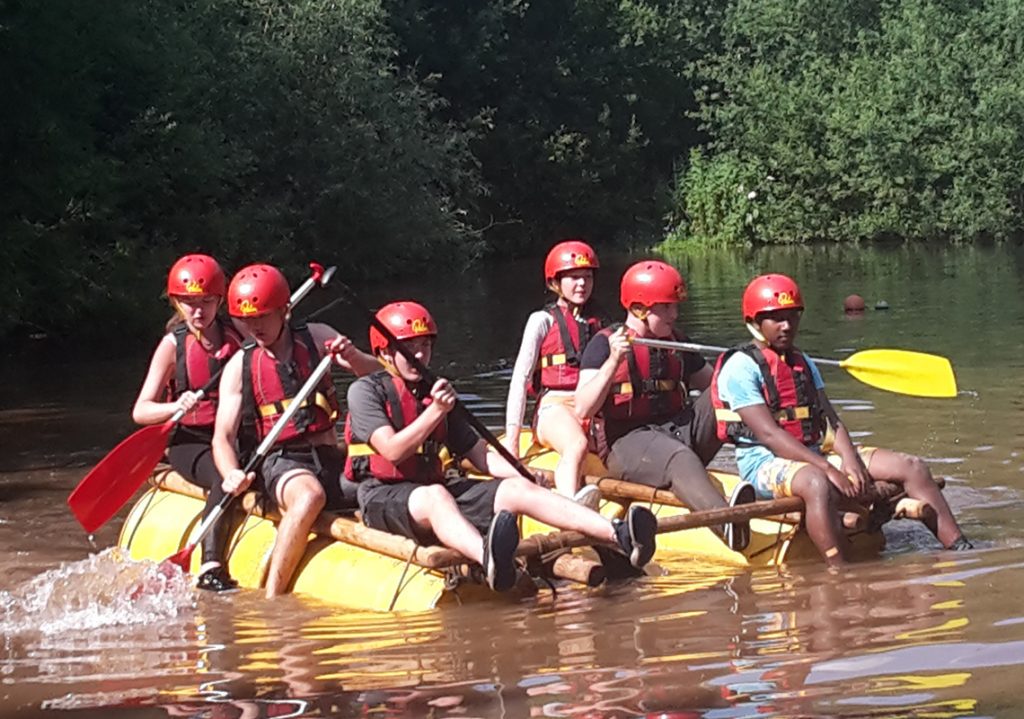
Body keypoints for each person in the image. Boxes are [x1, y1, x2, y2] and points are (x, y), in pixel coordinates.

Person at [343, 300, 657, 592]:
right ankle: (488, 557)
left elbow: (480, 455)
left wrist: (524, 475)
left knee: (516, 488)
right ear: (385, 353)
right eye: (409, 347)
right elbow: (394, 451)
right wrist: (437, 410)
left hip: (431, 488)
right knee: (436, 495)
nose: (420, 355)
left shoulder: (432, 389)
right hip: (382, 496)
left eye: (425, 345)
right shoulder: (365, 392)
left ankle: (619, 533)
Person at [710, 273, 972, 565]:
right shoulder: (740, 368)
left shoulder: (803, 362)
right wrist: (828, 469)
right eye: (776, 318)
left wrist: (849, 459)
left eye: (793, 316)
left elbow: (831, 420)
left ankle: (961, 549)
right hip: (764, 462)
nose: (787, 326)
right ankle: (843, 573)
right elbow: (769, 434)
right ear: (755, 321)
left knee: (912, 467)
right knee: (816, 483)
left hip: (810, 452)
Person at [212, 264, 381, 597]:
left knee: (382, 487)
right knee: (309, 496)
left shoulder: (317, 336)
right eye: (246, 320)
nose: (254, 326)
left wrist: (353, 357)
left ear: (284, 311)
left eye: (262, 316)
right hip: (282, 462)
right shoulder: (239, 366)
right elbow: (223, 437)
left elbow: (378, 376)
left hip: (330, 456)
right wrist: (230, 472)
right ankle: (274, 597)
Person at [574, 260, 754, 551]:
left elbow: (714, 386)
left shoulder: (677, 341)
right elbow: (582, 408)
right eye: (666, 307)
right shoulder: (603, 344)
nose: (675, 314)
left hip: (676, 432)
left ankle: (770, 467)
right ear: (639, 309)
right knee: (679, 458)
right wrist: (613, 362)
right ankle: (728, 524)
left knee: (727, 390)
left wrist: (747, 368)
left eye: (675, 306)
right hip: (628, 444)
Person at [132, 254, 245, 591]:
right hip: (189, 441)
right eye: (189, 303)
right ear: (176, 303)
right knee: (222, 474)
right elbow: (140, 411)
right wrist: (176, 407)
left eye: (207, 301)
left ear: (220, 301)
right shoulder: (172, 346)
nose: (198, 311)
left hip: (232, 437)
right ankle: (211, 564)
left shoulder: (237, 335)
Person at [503, 239, 606, 506]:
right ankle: (569, 506)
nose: (582, 284)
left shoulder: (600, 323)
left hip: (591, 408)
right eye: (573, 278)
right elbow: (520, 380)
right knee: (577, 446)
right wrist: (512, 442)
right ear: (555, 283)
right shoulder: (541, 320)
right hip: (553, 408)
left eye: (587, 277)